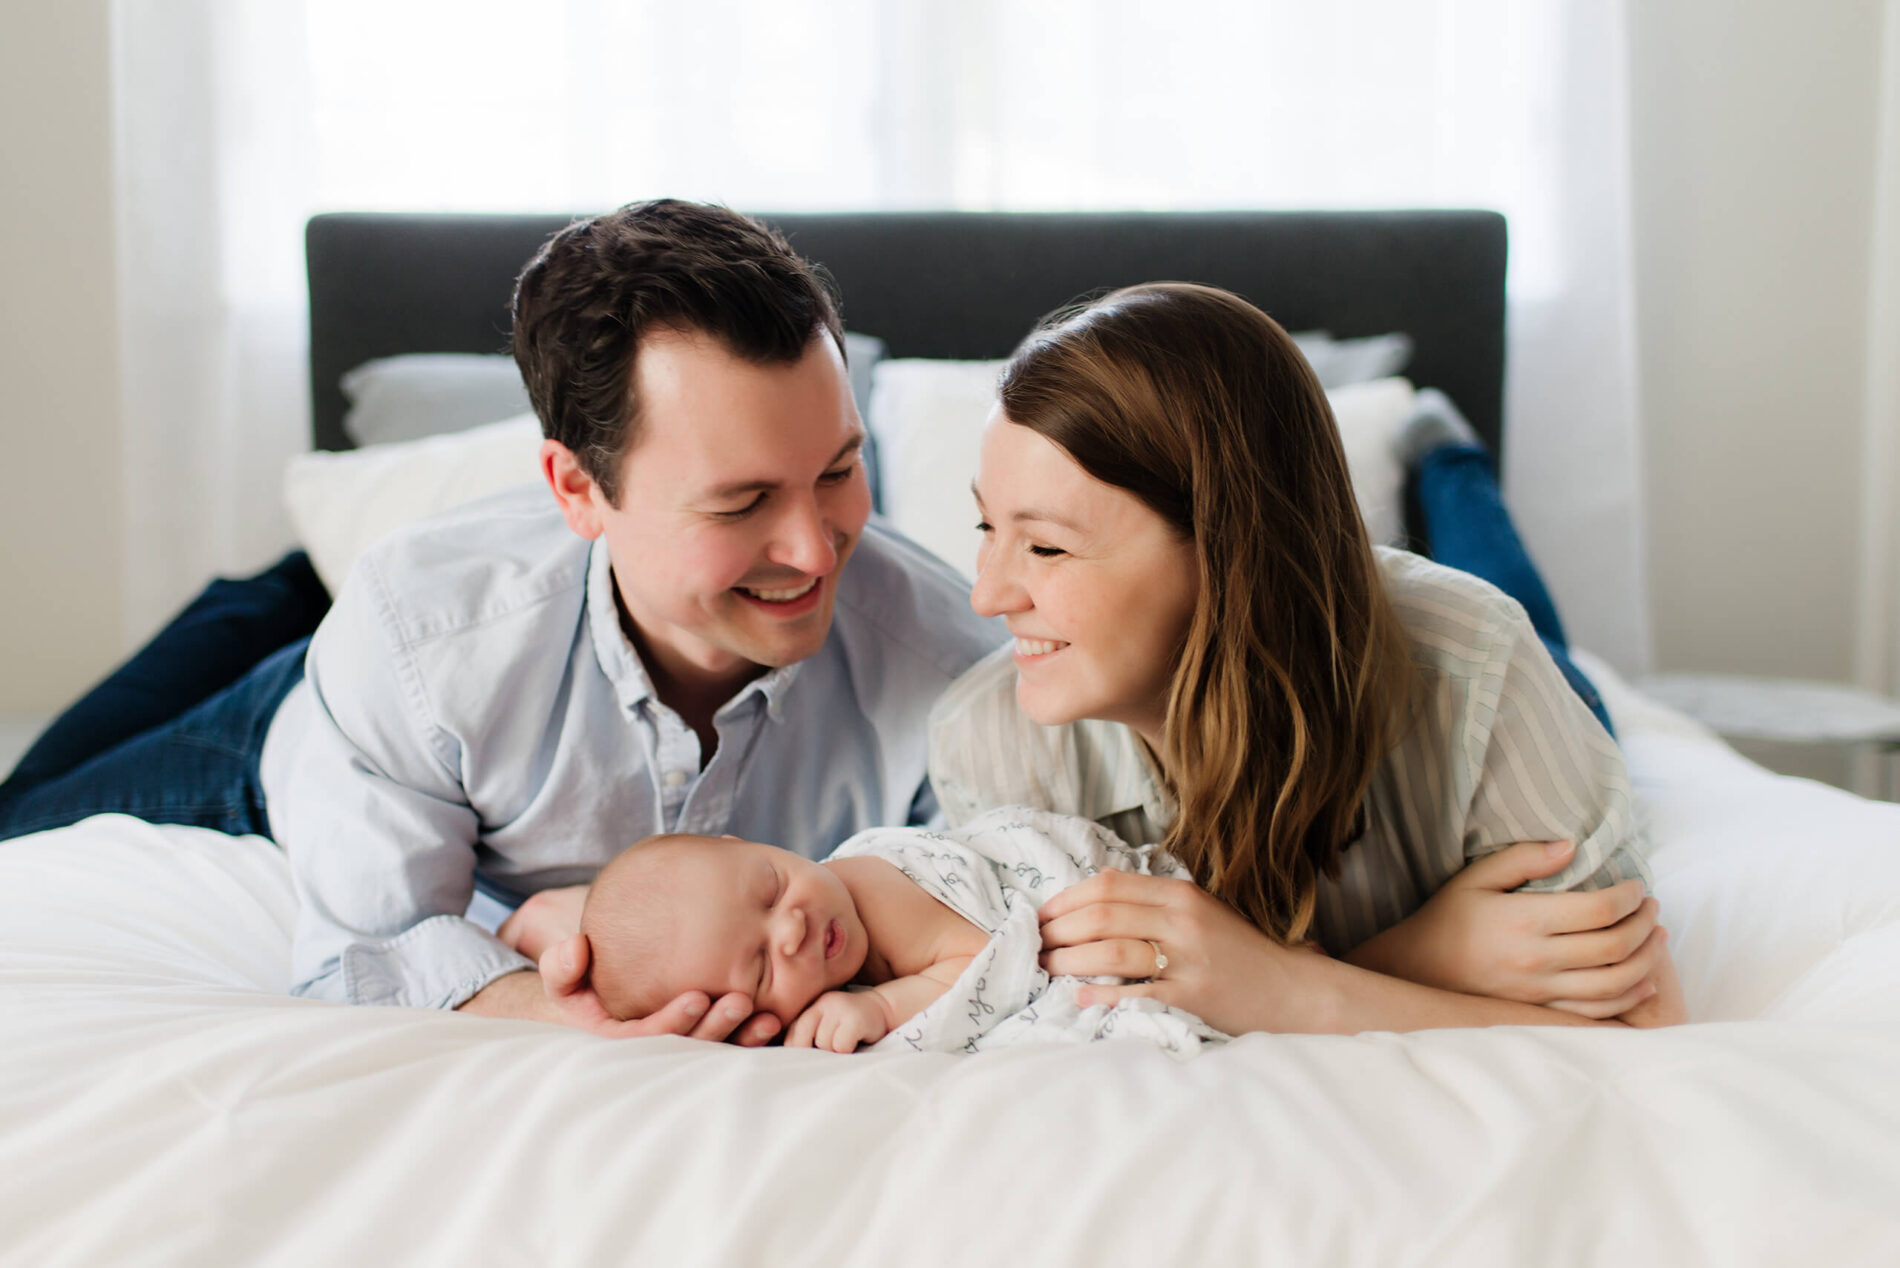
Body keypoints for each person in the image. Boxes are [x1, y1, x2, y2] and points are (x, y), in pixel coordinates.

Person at [0, 199, 1004, 1044]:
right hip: (312, 706)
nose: (816, 549)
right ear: (577, 489)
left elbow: (984, 922)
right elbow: (367, 951)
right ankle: (272, 596)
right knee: (22, 815)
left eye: (838, 470)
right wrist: (553, 1008)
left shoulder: (955, 674)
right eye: (741, 503)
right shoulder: (417, 638)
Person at [927, 281, 1687, 1033]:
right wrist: (1395, 963)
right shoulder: (988, 746)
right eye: (986, 527)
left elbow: (1645, 1022)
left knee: (1525, 606)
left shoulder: (1480, 669)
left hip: (1498, 661)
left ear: (1229, 551)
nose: (986, 597)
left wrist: (1284, 985)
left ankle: (1447, 459)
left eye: (1046, 547)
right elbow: (1046, 1023)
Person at [571, 829, 988, 1053]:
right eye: (762, 968)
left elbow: (988, 960)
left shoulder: (876, 894)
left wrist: (881, 1007)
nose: (792, 930)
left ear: (747, 844)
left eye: (772, 889)